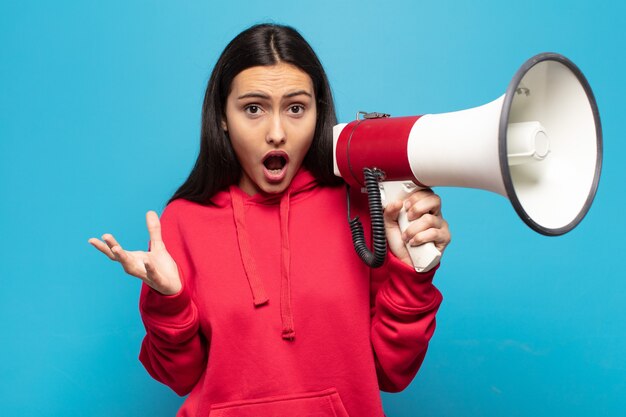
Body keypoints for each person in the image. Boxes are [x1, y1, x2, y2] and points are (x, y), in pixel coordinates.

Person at [89, 23, 451, 417]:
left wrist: (412, 270)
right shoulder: (183, 221)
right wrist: (169, 300)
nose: (276, 132)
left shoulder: (361, 208)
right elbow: (178, 377)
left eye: (296, 108)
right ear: (222, 117)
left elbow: (392, 372)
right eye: (253, 109)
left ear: (319, 113)